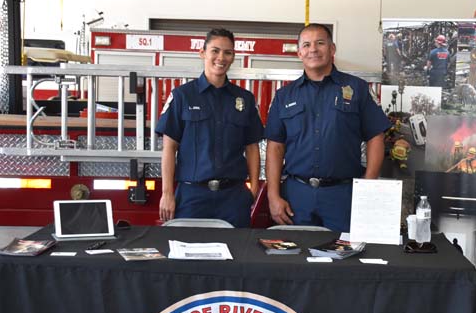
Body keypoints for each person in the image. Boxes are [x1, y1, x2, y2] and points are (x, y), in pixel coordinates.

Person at [265, 23, 392, 232]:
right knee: (296, 260)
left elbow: (375, 137)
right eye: (306, 45)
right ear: (299, 53)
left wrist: (368, 187)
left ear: (332, 49)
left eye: (320, 43)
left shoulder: (358, 89)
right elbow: (275, 147)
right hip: (297, 197)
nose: (313, 49)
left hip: (343, 195)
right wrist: (273, 196)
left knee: (345, 259)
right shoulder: (284, 96)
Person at [156, 28, 263, 227]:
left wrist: (254, 188)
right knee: (188, 254)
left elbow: (252, 147)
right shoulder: (182, 96)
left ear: (233, 57)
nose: (221, 57)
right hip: (192, 196)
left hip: (234, 198)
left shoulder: (244, 99)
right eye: (215, 50)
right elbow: (169, 148)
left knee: (237, 254)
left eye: (228, 52)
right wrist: (167, 193)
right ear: (202, 53)